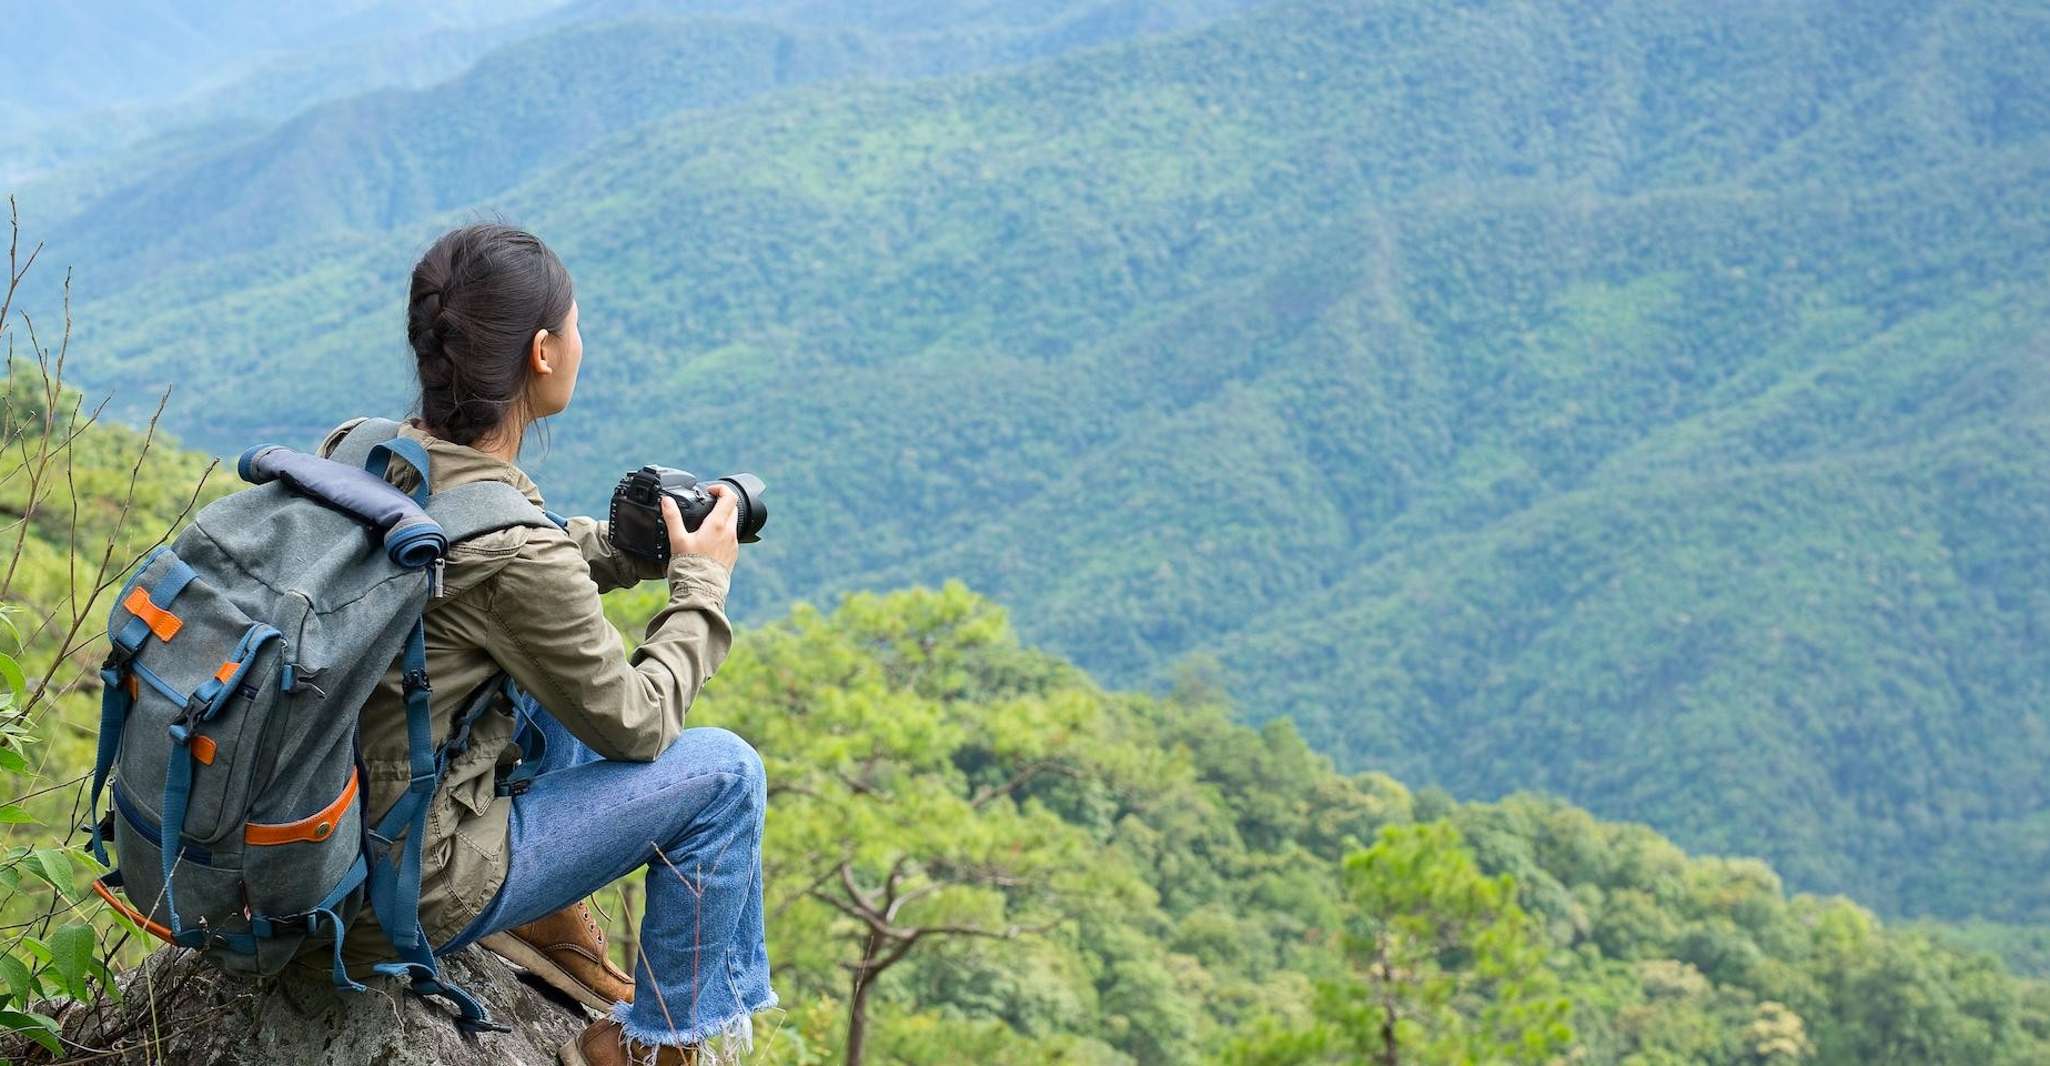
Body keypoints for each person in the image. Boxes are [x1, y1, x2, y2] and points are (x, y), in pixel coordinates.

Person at [314, 222, 775, 1066]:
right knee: (726, 776)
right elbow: (637, 726)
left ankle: (542, 918)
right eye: (575, 326)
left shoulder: (365, 451)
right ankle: (658, 1048)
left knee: (546, 662)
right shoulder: (518, 558)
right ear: (541, 353)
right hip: (410, 878)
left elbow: (489, 567)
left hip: (332, 828)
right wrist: (700, 586)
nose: (579, 343)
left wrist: (624, 552)